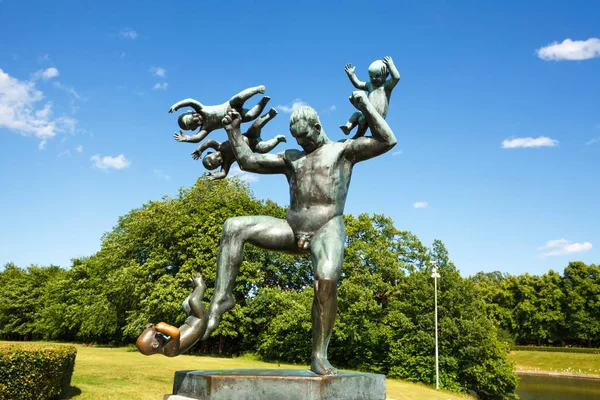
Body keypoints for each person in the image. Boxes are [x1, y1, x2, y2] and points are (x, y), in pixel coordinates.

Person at [201, 91, 397, 376]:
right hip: (292, 228)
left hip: (327, 227)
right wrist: (232, 131)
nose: (302, 144)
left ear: (317, 128)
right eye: (298, 140)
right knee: (233, 226)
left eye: (306, 138)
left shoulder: (343, 151)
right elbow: (248, 162)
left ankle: (319, 355)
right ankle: (222, 298)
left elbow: (387, 140)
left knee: (326, 281)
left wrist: (366, 105)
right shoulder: (292, 157)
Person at [191, 108, 287, 180]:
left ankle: (269, 115)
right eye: (217, 162)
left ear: (210, 153)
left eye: (215, 157)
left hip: (247, 136)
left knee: (256, 126)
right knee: (265, 148)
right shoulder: (226, 162)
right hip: (253, 147)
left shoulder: (219, 146)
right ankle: (277, 139)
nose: (219, 159)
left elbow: (208, 142)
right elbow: (223, 174)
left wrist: (200, 149)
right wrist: (215, 176)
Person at [169, 85, 270, 145]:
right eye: (194, 122)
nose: (196, 118)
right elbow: (197, 138)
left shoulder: (201, 109)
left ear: (191, 112)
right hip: (234, 117)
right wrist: (187, 138)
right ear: (193, 128)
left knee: (239, 97)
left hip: (229, 106)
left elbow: (190, 101)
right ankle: (263, 102)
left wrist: (177, 105)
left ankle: (256, 90)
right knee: (251, 116)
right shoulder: (206, 128)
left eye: (193, 116)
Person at [136, 275, 207, 357]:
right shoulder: (168, 351)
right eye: (156, 334)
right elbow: (175, 333)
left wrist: (149, 328)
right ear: (155, 345)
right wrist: (164, 327)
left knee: (185, 304)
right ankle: (201, 286)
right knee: (193, 301)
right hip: (199, 321)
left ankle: (195, 290)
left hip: (191, 319)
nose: (159, 332)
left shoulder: (164, 345)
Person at [340, 56, 400, 138]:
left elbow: (396, 78)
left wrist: (391, 66)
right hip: (367, 112)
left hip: (378, 115)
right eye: (371, 77)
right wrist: (351, 75)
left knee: (362, 119)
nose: (374, 79)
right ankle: (348, 128)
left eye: (377, 76)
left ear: (386, 75)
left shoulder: (386, 86)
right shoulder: (370, 85)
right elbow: (357, 84)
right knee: (357, 114)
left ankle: (358, 134)